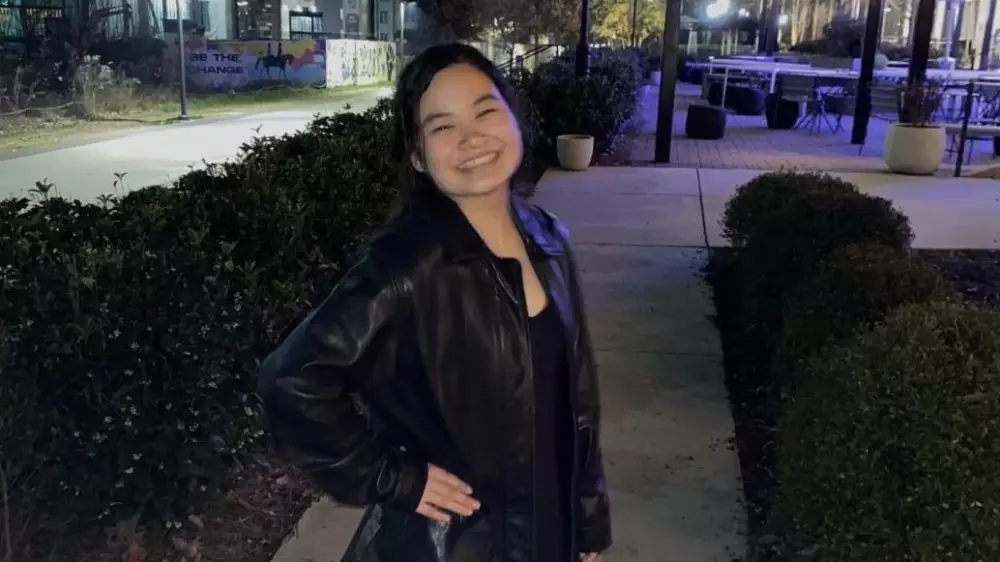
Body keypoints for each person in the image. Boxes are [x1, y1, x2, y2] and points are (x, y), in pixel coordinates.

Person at [257, 42, 612, 562]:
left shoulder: (548, 238)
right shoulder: (406, 267)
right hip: (454, 546)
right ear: (419, 157)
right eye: (443, 126)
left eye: (485, 111)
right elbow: (290, 380)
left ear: (513, 118)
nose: (471, 137)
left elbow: (578, 398)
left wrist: (587, 517)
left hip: (548, 527)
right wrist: (394, 477)